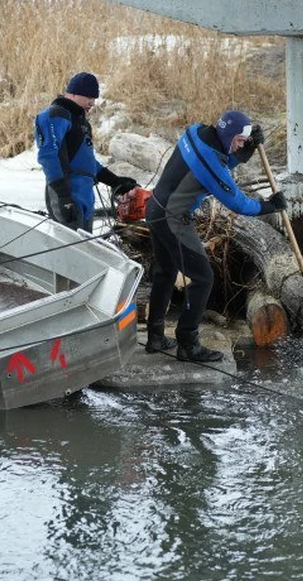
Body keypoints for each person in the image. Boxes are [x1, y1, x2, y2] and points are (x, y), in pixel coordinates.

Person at [144, 109, 287, 362]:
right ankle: (187, 344)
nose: (241, 145)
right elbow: (238, 204)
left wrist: (246, 150)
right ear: (229, 134)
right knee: (203, 278)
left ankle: (155, 336)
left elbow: (218, 160)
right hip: (172, 219)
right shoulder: (209, 161)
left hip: (155, 206)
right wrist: (270, 206)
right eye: (240, 140)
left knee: (164, 272)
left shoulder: (196, 131)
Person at [35, 71, 140, 232]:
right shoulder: (56, 114)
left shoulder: (81, 122)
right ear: (73, 94)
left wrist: (116, 181)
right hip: (67, 192)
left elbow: (86, 161)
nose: (92, 103)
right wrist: (64, 196)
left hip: (85, 195)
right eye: (88, 97)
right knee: (70, 251)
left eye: (94, 99)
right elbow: (49, 156)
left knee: (86, 249)